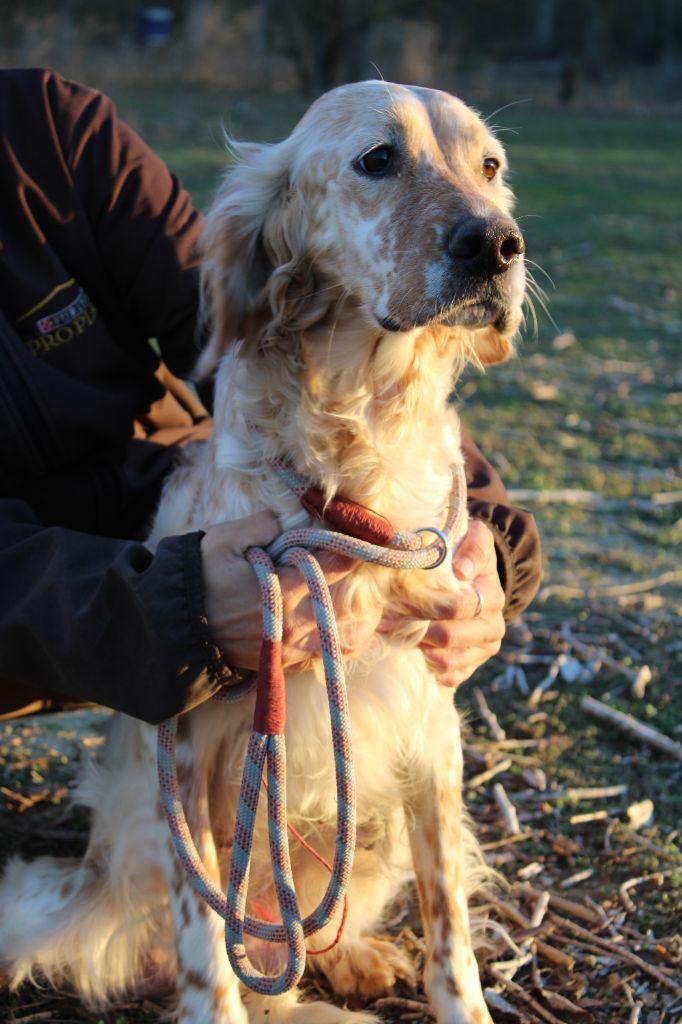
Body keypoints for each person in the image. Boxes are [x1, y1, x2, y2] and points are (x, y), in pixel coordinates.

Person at [0, 68, 541, 725]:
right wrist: (171, 611)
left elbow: (237, 312)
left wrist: (483, 542)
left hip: (181, 522)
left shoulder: (47, 128)